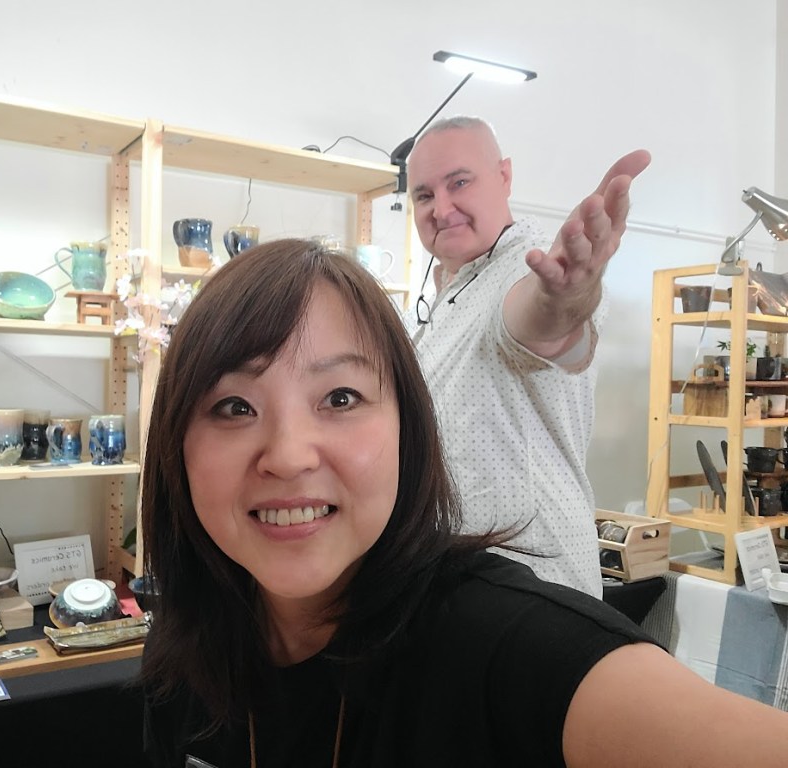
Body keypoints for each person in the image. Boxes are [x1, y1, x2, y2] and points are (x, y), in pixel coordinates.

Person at [137, 239, 788, 767]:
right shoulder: (186, 646)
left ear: (408, 426)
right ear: (176, 445)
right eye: (234, 407)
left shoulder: (501, 643)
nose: (287, 456)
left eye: (340, 398)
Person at [406, 116, 652, 597]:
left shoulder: (529, 266)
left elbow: (540, 323)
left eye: (459, 182)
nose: (442, 208)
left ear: (504, 176)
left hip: (539, 592)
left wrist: (564, 296)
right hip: (456, 586)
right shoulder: (444, 291)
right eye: (424, 195)